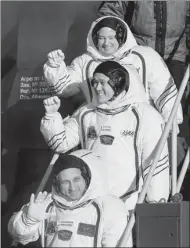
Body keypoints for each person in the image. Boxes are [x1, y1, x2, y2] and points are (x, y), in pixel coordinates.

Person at [40, 61, 170, 211]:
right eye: (94, 82)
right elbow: (60, 143)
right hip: (93, 203)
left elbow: (156, 161)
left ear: (119, 83)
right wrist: (51, 117)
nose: (97, 88)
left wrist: (156, 202)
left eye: (102, 83)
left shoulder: (144, 115)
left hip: (129, 203)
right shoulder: (87, 113)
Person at [43, 15, 183, 127]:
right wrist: (55, 69)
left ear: (121, 37)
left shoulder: (144, 56)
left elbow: (163, 88)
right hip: (100, 128)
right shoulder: (85, 62)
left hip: (138, 126)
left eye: (111, 37)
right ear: (95, 38)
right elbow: (65, 88)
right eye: (101, 38)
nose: (106, 43)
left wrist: (171, 120)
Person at [8, 149, 132, 247]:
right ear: (56, 183)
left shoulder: (109, 207)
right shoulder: (47, 204)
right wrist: (28, 220)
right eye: (65, 182)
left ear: (88, 178)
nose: (72, 187)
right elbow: (20, 237)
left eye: (76, 179)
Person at [98, 1, 190, 97]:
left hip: (175, 55)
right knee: (139, 100)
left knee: (174, 100)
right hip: (139, 54)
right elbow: (110, 9)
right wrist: (111, 31)